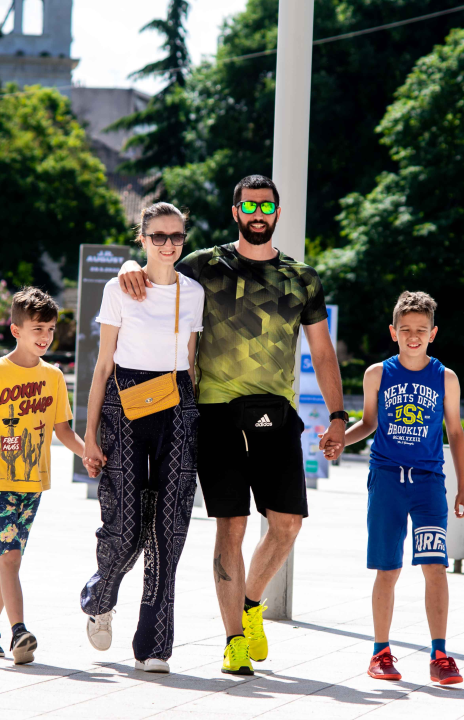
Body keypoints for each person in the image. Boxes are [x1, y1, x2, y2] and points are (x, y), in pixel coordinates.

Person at [117, 175, 347, 676]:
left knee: (287, 524)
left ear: (277, 213)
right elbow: (158, 265)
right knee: (232, 525)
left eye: (266, 206)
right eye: (249, 205)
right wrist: (130, 265)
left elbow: (323, 351)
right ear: (236, 211)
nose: (258, 213)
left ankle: (250, 604)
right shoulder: (204, 266)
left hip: (277, 414)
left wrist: (337, 416)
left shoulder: (302, 278)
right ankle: (234, 640)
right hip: (216, 414)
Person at [79, 203, 205, 674]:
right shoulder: (119, 288)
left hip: (178, 402)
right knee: (126, 524)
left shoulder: (193, 293)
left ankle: (154, 644)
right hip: (124, 402)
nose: (168, 244)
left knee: (169, 528)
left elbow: (192, 361)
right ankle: (101, 598)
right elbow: (102, 365)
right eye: (158, 236)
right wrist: (89, 435)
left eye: (176, 236)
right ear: (143, 238)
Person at [0, 288, 85, 665]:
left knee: (11, 559)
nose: (45, 336)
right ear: (16, 330)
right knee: (9, 556)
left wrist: (90, 454)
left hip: (34, 484)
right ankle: (19, 631)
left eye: (50, 329)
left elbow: (63, 430)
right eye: (38, 328)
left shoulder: (54, 377)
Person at [343, 291, 464, 685]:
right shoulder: (377, 374)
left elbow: (455, 432)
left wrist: (462, 487)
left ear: (433, 333)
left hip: (429, 483)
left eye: (421, 329)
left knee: (435, 566)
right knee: (388, 569)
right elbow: (368, 423)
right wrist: (340, 440)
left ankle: (440, 655)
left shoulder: (446, 378)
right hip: (386, 480)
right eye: (405, 329)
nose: (413, 336)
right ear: (393, 331)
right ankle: (380, 652)